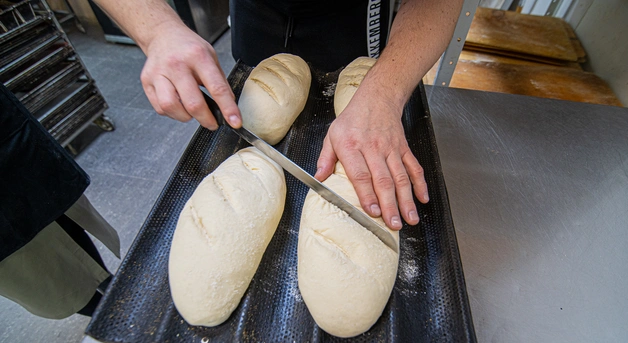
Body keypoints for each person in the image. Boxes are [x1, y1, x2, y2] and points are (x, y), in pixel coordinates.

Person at [93, 0, 463, 230]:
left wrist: (383, 94)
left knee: (360, 82)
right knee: (259, 99)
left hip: (349, 14)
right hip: (257, 11)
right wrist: (157, 30)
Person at [0, 84, 120, 319]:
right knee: (27, 265)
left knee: (55, 213)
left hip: (9, 144)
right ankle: (104, 313)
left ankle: (110, 286)